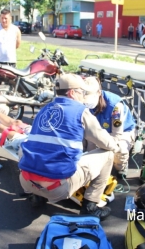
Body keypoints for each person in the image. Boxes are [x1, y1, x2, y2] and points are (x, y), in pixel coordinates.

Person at [18, 74, 128, 221]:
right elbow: (106, 143)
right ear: (72, 92)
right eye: (82, 92)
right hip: (57, 188)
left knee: (38, 149)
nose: (84, 96)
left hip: (26, 181)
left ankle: (37, 196)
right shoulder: (80, 111)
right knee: (107, 154)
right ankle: (90, 206)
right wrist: (119, 145)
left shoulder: (44, 110)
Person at [84, 77, 136, 176]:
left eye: (89, 97)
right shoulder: (83, 102)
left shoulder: (115, 106)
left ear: (98, 93)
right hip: (98, 130)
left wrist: (104, 147)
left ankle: (122, 166)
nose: (86, 102)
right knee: (88, 149)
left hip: (122, 132)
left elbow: (117, 135)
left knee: (120, 150)